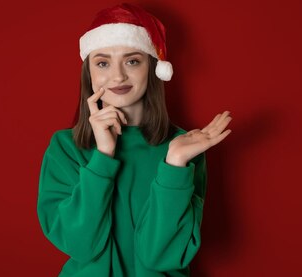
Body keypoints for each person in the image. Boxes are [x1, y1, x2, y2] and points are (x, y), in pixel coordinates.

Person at [36, 3, 231, 276]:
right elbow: (81, 245)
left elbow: (161, 257)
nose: (117, 76)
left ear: (153, 68)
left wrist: (174, 166)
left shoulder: (185, 148)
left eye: (132, 61)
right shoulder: (65, 148)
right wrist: (102, 158)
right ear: (88, 73)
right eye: (103, 62)